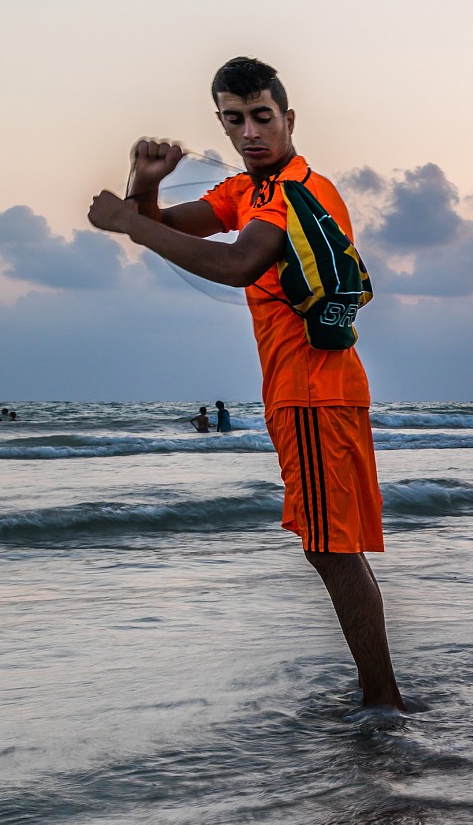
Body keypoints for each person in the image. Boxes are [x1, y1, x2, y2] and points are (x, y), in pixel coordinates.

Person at [86, 55, 404, 710]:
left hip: (315, 391)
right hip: (304, 392)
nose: (252, 131)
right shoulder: (250, 188)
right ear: (223, 125)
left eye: (263, 117)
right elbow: (176, 227)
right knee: (330, 548)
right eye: (236, 120)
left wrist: (126, 220)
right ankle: (380, 699)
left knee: (330, 550)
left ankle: (382, 704)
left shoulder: (292, 192)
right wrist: (144, 189)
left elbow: (236, 264)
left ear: (289, 118)